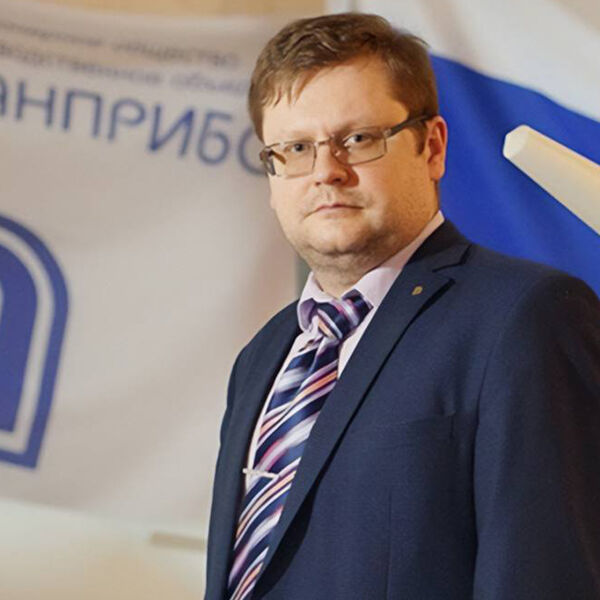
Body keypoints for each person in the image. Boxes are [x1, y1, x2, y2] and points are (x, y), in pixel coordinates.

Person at [205, 12, 600, 600]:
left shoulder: (525, 317)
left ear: (432, 147)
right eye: (296, 148)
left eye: (358, 139)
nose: (326, 172)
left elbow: (543, 577)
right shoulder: (262, 356)